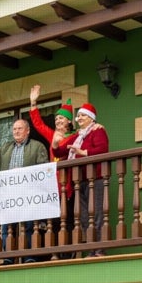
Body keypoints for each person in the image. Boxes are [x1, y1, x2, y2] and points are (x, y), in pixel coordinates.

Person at [0, 118, 48, 264]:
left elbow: (43, 168)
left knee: (29, 226)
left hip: (29, 193)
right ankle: (9, 258)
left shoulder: (37, 146)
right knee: (8, 227)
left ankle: (30, 257)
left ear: (27, 131)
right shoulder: (6, 147)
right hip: (9, 194)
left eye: (19, 128)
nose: (16, 131)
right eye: (14, 129)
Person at [52, 103, 109, 257]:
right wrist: (56, 143)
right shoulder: (78, 135)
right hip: (79, 181)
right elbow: (60, 151)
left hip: (95, 179)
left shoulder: (98, 131)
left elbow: (103, 149)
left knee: (97, 214)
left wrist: (83, 152)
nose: (79, 118)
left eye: (83, 115)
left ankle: (100, 249)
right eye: (78, 116)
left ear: (91, 118)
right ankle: (92, 249)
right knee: (84, 216)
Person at [28, 84, 76, 257]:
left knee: (69, 218)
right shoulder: (52, 135)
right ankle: (54, 252)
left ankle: (68, 253)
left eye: (61, 119)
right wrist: (33, 102)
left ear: (70, 122)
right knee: (54, 220)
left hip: (69, 183)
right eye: (56, 120)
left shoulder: (75, 136)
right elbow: (38, 124)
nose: (58, 122)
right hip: (52, 185)